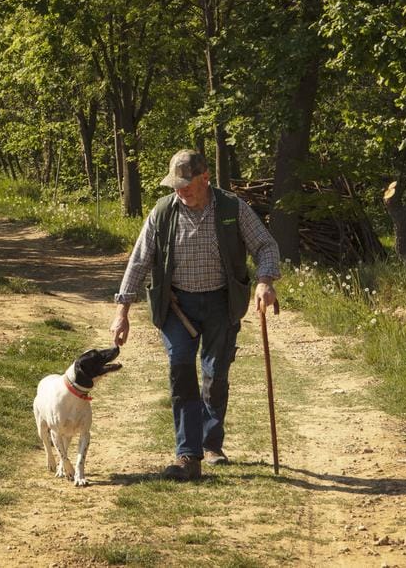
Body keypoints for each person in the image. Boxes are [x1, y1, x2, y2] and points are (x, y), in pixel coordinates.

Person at [110, 148, 280, 480]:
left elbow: (266, 245)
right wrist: (122, 311)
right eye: (176, 185)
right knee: (181, 368)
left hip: (221, 302)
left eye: (187, 184)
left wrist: (264, 281)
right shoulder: (163, 213)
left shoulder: (232, 208)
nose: (181, 191)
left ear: (205, 178)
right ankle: (188, 455)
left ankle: (211, 444)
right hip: (177, 306)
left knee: (216, 375)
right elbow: (139, 261)